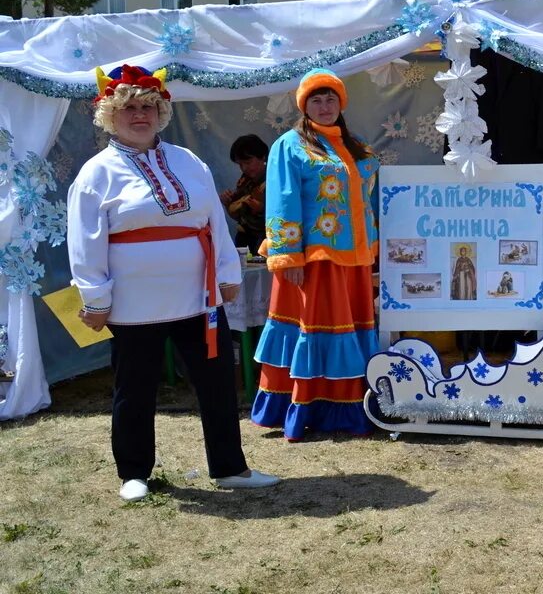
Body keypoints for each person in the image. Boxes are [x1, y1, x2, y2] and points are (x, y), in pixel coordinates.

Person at [67, 64, 280, 501]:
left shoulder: (189, 162)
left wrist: (227, 274)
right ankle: (134, 473)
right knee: (135, 388)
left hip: (198, 298)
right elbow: (85, 242)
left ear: (161, 110)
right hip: (133, 304)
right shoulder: (96, 173)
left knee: (217, 383)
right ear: (110, 113)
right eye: (128, 108)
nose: (139, 115)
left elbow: (214, 223)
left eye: (148, 106)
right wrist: (96, 297)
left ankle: (230, 467)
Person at [251, 68, 380, 440]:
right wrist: (288, 255)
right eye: (316, 100)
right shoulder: (289, 145)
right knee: (318, 328)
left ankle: (350, 407)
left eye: (330, 99)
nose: (324, 107)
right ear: (304, 106)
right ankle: (310, 407)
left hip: (354, 259)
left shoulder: (355, 145)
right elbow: (283, 200)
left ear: (341, 104)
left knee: (349, 329)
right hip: (315, 260)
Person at [219, 134, 268, 255]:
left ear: (263, 157)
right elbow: (239, 217)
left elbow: (284, 217)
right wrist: (228, 203)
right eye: (240, 164)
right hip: (244, 240)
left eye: (248, 162)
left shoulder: (275, 179)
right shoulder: (244, 181)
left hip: (266, 241)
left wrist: (261, 209)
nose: (244, 168)